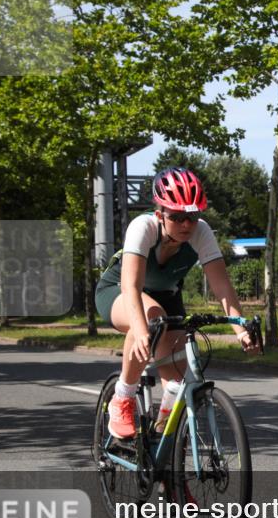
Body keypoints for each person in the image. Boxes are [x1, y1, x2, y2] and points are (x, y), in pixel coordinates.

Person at [95, 167, 256, 439]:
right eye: (177, 217)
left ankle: (164, 445)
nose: (186, 225)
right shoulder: (143, 227)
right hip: (118, 293)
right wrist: (141, 328)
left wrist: (240, 329)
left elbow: (222, 286)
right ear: (160, 215)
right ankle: (122, 398)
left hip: (167, 298)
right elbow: (130, 286)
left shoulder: (201, 233)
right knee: (151, 317)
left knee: (178, 375)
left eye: (192, 217)